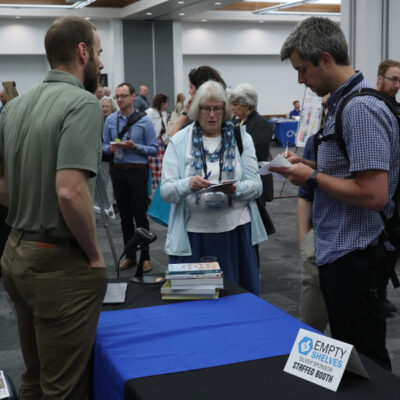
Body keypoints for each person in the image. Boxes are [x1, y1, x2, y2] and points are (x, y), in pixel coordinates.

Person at [270, 17, 400, 370]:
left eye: (303, 70)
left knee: (368, 361)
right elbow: (349, 173)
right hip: (344, 250)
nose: (300, 80)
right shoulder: (345, 103)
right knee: (352, 353)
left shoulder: (358, 109)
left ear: (326, 59)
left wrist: (311, 176)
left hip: (355, 254)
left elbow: (374, 194)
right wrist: (309, 165)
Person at [0, 16, 107, 399]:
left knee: (34, 375)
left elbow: (2, 187)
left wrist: (31, 209)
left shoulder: (14, 107)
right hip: (57, 264)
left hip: (15, 253)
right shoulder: (83, 104)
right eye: (98, 53)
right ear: (82, 52)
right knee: (64, 388)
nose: (101, 62)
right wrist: (95, 258)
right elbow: (69, 191)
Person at [161, 81, 267, 296]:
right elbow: (166, 191)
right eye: (205, 108)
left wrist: (235, 188)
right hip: (193, 237)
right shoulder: (180, 140)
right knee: (195, 303)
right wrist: (187, 185)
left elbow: (257, 187)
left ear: (225, 110)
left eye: (217, 108)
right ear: (196, 109)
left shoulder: (241, 138)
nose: (211, 115)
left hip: (235, 233)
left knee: (237, 302)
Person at [102, 82, 158, 272]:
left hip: (138, 171)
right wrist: (109, 148)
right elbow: (102, 146)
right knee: (125, 218)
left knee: (140, 216)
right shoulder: (110, 120)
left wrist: (135, 147)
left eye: (124, 96)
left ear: (133, 97)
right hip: (118, 170)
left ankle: (146, 257)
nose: (120, 99)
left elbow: (154, 149)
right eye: (117, 96)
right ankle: (130, 255)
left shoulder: (145, 121)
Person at [228, 83, 274, 264]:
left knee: (253, 225)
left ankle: (253, 266)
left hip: (255, 180)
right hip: (239, 181)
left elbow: (256, 152)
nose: (232, 108)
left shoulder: (261, 124)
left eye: (236, 104)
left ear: (248, 105)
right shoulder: (234, 122)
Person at [297, 95, 329, 333]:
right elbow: (304, 195)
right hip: (319, 234)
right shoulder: (314, 141)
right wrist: (304, 241)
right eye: (325, 105)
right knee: (311, 317)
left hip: (354, 239)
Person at [376, 59, 400, 317]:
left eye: (399, 81)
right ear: (380, 78)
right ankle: (377, 293)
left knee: (392, 244)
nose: (397, 85)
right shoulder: (372, 108)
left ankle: (380, 291)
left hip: (395, 190)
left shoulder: (396, 109)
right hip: (379, 188)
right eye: (393, 79)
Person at [168, 65, 226, 137]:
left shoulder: (196, 123)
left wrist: (185, 114)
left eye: (191, 87)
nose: (190, 92)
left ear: (201, 89)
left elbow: (172, 138)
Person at [146, 93, 169, 191]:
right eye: (166, 103)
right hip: (154, 141)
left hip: (162, 142)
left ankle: (159, 185)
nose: (167, 105)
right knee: (153, 166)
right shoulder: (149, 112)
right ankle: (153, 187)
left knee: (161, 166)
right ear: (162, 103)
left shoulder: (163, 113)